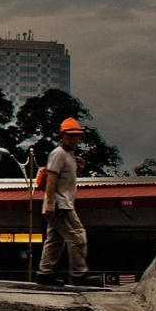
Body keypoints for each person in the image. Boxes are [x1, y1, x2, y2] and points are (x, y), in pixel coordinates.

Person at [38, 118, 92, 286]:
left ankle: (44, 273)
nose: (75, 139)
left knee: (55, 240)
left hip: (62, 203)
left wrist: (79, 169)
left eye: (77, 136)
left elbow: (65, 179)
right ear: (62, 136)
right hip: (60, 205)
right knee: (77, 235)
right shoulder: (58, 154)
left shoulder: (70, 156)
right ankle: (79, 274)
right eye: (71, 136)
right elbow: (51, 178)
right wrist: (50, 203)